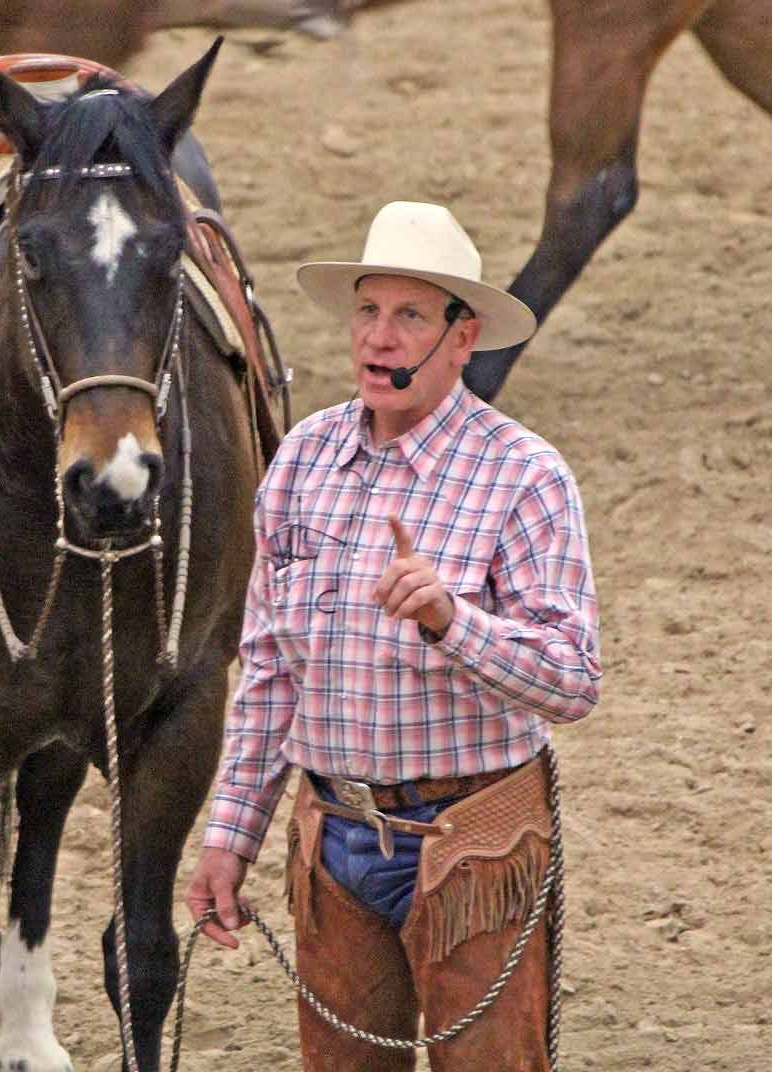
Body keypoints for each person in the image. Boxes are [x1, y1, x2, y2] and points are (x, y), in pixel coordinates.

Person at [184, 201, 601, 1071]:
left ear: (462, 336)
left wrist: (455, 622)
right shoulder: (300, 460)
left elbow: (572, 678)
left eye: (411, 315)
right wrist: (230, 836)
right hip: (332, 834)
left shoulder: (525, 476)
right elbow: (266, 669)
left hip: (475, 839)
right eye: (368, 311)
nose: (380, 337)